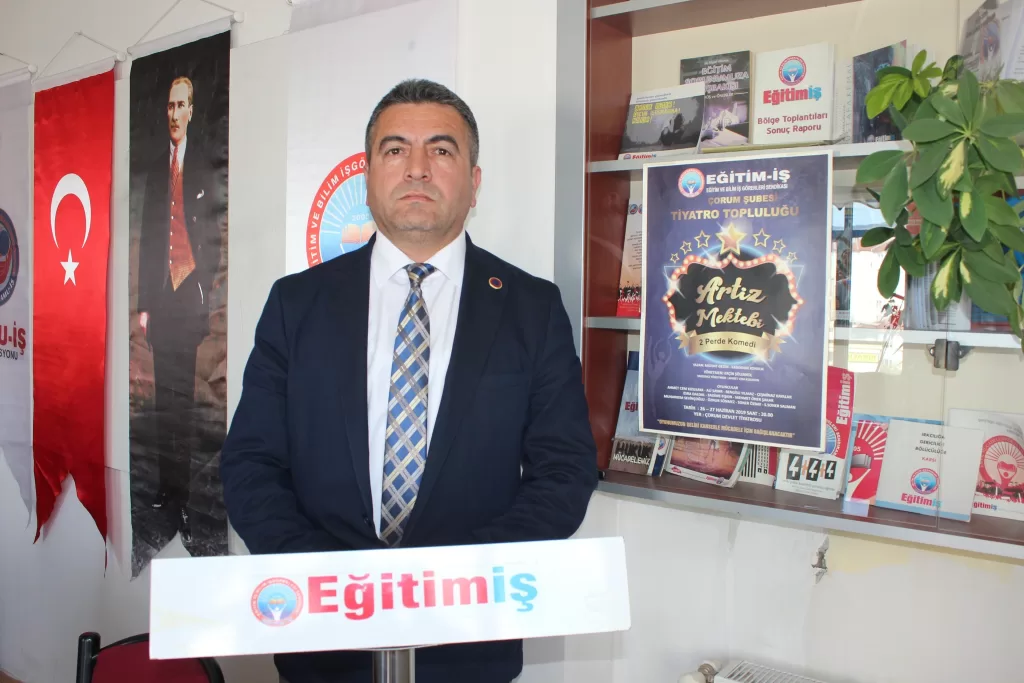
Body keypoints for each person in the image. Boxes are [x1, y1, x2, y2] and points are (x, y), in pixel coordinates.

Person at [220, 79, 598, 683]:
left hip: (469, 644)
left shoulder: (531, 308)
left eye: (441, 150)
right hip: (323, 639)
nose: (417, 168)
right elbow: (250, 464)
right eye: (395, 150)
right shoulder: (297, 304)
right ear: (368, 175)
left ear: (474, 181)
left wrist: (461, 580)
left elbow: (565, 469)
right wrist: (329, 581)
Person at [137, 75, 221, 544]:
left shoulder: (204, 165)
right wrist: (144, 305)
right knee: (162, 405)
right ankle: (165, 490)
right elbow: (149, 239)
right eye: (169, 106)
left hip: (189, 296)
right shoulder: (156, 170)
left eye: (180, 105)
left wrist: (204, 286)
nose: (173, 114)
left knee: (184, 404)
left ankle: (184, 498)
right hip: (160, 301)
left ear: (191, 110)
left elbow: (212, 235)